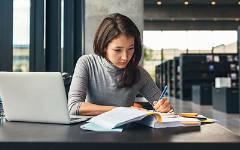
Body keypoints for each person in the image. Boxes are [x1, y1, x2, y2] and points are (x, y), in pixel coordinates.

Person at [68, 13, 173, 116]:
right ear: (104, 46)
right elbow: (74, 107)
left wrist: (165, 108)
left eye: (130, 49)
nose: (125, 57)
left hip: (125, 132)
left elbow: (167, 110)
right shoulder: (87, 63)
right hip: (89, 131)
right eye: (117, 50)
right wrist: (120, 110)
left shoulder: (139, 74)